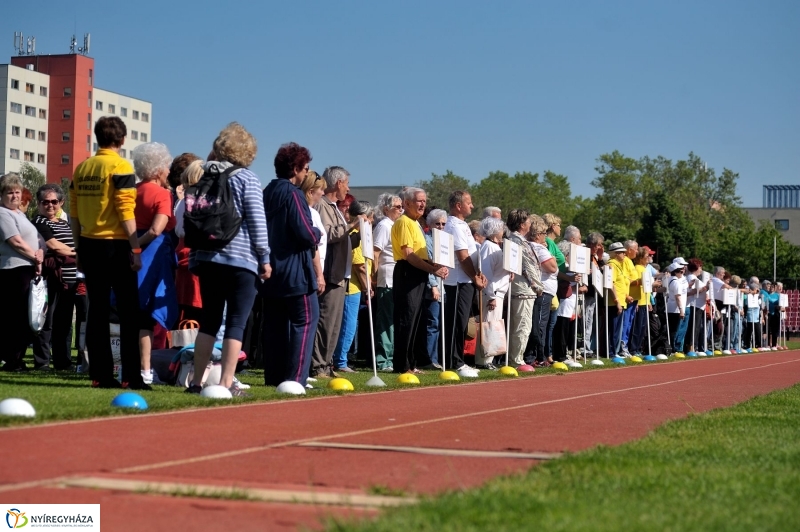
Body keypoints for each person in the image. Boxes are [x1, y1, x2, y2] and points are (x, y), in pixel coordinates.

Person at [185, 123, 271, 396]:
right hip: (240, 260)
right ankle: (225, 383)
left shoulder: (203, 175)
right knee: (236, 322)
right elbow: (257, 221)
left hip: (207, 259)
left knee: (209, 321)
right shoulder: (247, 179)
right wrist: (265, 257)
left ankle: (196, 382)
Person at [70, 117, 147, 389]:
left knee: (97, 311)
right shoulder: (121, 166)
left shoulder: (82, 168)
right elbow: (126, 210)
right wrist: (135, 248)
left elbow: (74, 213)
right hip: (116, 244)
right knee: (128, 312)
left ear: (97, 137)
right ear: (122, 139)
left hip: (89, 243)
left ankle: (100, 375)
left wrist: (78, 249)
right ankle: (131, 376)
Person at [261, 142, 321, 388]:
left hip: (271, 269)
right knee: (305, 321)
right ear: (295, 169)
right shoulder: (293, 194)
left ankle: (274, 378)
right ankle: (296, 379)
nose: (306, 173)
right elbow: (305, 232)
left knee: (274, 326)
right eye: (305, 168)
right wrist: (318, 232)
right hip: (296, 271)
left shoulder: (267, 191)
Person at [132, 142, 178, 385]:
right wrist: (136, 246)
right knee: (148, 317)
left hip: (133, 254)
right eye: (167, 166)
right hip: (152, 256)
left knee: (134, 314)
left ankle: (133, 368)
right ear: (159, 169)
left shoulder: (131, 191)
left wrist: (130, 245)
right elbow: (156, 229)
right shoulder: (162, 194)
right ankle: (146, 370)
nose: (169, 171)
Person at [311, 166, 363, 378]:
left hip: (341, 274)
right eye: (346, 183)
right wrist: (352, 225)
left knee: (334, 324)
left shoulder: (334, 208)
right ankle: (317, 365)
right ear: (338, 183)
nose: (348, 188)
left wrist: (360, 234)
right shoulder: (322, 205)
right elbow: (326, 235)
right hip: (330, 273)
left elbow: (343, 240)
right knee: (326, 321)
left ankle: (326, 364)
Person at [391, 187, 449, 374]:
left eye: (424, 200)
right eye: (419, 200)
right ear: (407, 203)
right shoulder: (404, 222)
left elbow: (421, 253)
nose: (423, 204)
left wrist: (436, 265)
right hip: (408, 272)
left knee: (415, 320)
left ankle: (411, 363)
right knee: (406, 318)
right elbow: (409, 254)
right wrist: (432, 269)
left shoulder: (416, 223)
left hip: (419, 272)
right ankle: (402, 365)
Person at [0, 173, 45, 372]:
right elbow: (16, 241)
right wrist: (36, 257)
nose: (15, 196)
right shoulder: (3, 213)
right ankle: (12, 360)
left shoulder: (19, 213)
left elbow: (37, 238)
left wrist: (41, 252)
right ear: (2, 195)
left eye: (17, 192)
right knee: (15, 316)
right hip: (14, 270)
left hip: (28, 268)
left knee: (24, 316)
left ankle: (16, 358)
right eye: (10, 193)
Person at [31, 184, 77, 371]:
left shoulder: (64, 223)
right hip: (51, 277)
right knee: (46, 320)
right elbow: (54, 245)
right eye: (45, 202)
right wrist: (79, 253)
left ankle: (62, 361)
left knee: (64, 322)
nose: (50, 205)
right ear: (39, 203)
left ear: (61, 202)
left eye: (54, 201)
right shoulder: (39, 222)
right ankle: (42, 361)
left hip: (70, 278)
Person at [443, 191, 487, 372]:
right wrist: (474, 277)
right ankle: (454, 362)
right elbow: (462, 256)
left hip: (466, 280)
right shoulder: (455, 226)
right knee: (457, 322)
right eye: (469, 203)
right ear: (458, 205)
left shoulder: (463, 225)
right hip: (458, 282)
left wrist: (478, 273)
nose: (472, 206)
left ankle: (459, 360)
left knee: (462, 323)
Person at [333, 200, 373, 372]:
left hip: (356, 286)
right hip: (352, 287)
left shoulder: (360, 233)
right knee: (348, 326)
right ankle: (340, 360)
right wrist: (366, 287)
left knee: (350, 325)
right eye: (370, 217)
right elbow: (359, 265)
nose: (372, 221)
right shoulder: (355, 233)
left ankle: (341, 359)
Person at [506, 210, 543, 367]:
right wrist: (536, 285)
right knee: (522, 326)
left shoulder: (517, 240)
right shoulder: (517, 241)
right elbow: (526, 266)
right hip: (523, 288)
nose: (530, 224)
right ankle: (517, 360)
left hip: (523, 288)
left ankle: (514, 358)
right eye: (528, 221)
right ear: (522, 224)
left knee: (520, 326)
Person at [371, 193, 402, 371]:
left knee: (393, 320)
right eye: (397, 207)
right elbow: (375, 253)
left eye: (401, 207)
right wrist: (374, 277)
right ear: (386, 209)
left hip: (396, 277)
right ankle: (383, 360)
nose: (401, 210)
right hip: (386, 277)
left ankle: (391, 357)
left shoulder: (395, 225)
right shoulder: (384, 226)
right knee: (386, 320)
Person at [475, 217, 509, 369]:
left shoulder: (493, 246)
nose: (503, 232)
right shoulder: (489, 247)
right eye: (501, 229)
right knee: (489, 325)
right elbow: (486, 274)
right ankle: (484, 361)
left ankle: (488, 359)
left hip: (497, 292)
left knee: (493, 326)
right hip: (493, 292)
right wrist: (491, 296)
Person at [173, 157, 205, 323]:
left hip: (181, 253)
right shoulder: (201, 201)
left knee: (181, 309)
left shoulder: (181, 202)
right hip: (195, 253)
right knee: (196, 308)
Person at [524, 215, 558, 366]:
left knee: (540, 324)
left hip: (545, 291)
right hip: (543, 290)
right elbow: (553, 267)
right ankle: (536, 357)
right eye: (544, 233)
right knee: (539, 325)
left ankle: (537, 355)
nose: (546, 237)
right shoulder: (538, 247)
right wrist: (551, 256)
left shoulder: (537, 247)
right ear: (538, 235)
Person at [423, 208, 447, 369]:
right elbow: (428, 265)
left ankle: (436, 358)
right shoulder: (427, 240)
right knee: (432, 323)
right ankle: (429, 359)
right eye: (437, 224)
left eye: (443, 224)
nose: (440, 227)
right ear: (430, 224)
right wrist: (433, 286)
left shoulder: (443, 240)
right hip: (432, 287)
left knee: (437, 324)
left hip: (442, 286)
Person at [583, 232, 605, 354]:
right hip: (586, 293)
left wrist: (600, 258)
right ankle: (584, 347)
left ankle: (587, 346)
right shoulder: (585, 255)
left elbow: (601, 273)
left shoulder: (594, 257)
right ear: (592, 244)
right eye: (598, 245)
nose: (600, 247)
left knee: (589, 320)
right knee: (586, 320)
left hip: (594, 293)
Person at [619, 240, 640, 356]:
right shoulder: (625, 261)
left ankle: (625, 346)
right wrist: (639, 281)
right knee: (625, 323)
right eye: (636, 249)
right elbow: (626, 280)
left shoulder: (630, 261)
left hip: (633, 298)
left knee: (629, 323)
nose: (637, 251)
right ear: (629, 250)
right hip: (628, 297)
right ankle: (622, 347)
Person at [685, 258, 710, 353]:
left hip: (698, 305)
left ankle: (693, 346)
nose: (701, 269)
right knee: (693, 327)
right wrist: (706, 287)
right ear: (696, 267)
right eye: (700, 267)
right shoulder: (691, 278)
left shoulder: (695, 278)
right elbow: (694, 290)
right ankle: (691, 346)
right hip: (694, 305)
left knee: (696, 327)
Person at [666, 263, 689, 353]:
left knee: (671, 329)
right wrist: (681, 310)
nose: (682, 273)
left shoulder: (670, 280)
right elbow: (678, 297)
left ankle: (670, 347)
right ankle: (672, 348)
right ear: (675, 272)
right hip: (675, 309)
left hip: (670, 308)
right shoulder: (676, 282)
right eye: (680, 271)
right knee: (674, 330)